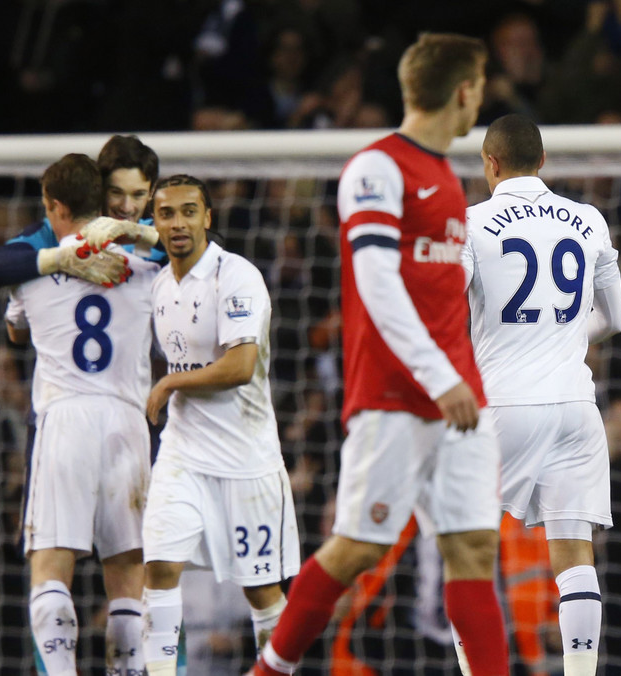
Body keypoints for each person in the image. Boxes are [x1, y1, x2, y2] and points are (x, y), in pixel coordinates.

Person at [254, 32, 510, 676]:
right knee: (356, 549)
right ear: (464, 90)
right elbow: (376, 286)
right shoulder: (377, 168)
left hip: (460, 398)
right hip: (397, 397)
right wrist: (437, 376)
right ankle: (267, 672)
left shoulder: (448, 181)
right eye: (480, 83)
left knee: (475, 549)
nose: (481, 95)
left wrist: (464, 378)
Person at [461, 113, 621, 676]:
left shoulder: (473, 222)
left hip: (503, 405)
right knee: (574, 558)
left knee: (468, 553)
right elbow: (616, 318)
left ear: (490, 162)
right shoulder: (588, 219)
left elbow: (446, 313)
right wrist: (558, 336)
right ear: (544, 162)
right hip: (577, 406)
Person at [3, 154, 159, 676]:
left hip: (64, 419)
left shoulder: (36, 262)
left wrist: (57, 267)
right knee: (128, 573)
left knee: (50, 570)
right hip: (128, 422)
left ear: (53, 205)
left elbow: (10, 320)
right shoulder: (147, 264)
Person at [138, 174, 300, 676]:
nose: (178, 222)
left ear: (208, 217)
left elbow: (240, 367)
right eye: (167, 213)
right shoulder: (160, 285)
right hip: (183, 453)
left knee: (260, 589)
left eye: (189, 211)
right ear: (156, 222)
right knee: (160, 567)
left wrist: (169, 385)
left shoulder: (236, 277)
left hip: (246, 460)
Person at [0, 134, 161, 288]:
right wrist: (62, 259)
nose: (126, 207)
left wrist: (141, 234)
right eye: (116, 192)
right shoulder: (54, 232)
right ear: (100, 187)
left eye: (138, 195)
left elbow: (189, 248)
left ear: (151, 193)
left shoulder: (155, 235)